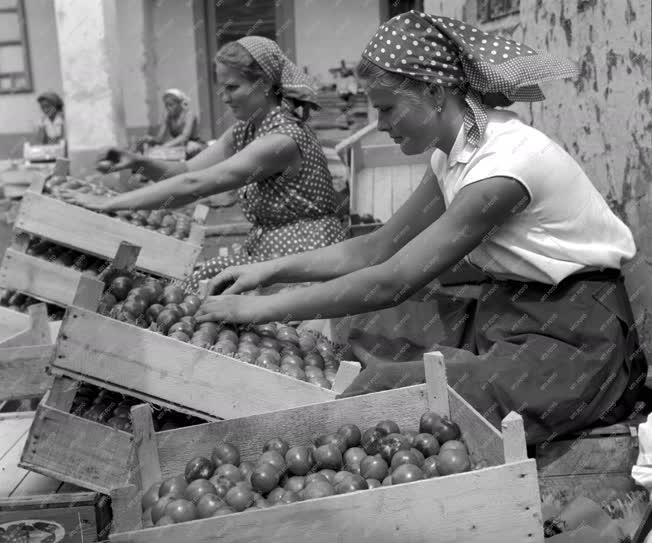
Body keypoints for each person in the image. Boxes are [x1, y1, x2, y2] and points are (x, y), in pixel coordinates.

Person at [194, 11, 647, 445]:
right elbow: (376, 249)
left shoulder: (503, 169)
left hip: (573, 336)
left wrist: (259, 311)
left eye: (387, 109)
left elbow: (393, 280)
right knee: (368, 323)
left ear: (434, 92)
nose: (380, 125)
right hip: (508, 312)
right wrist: (267, 273)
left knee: (404, 388)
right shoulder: (450, 153)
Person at [61, 36, 346, 293]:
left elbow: (194, 186)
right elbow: (185, 171)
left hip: (304, 258)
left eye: (233, 87)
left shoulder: (281, 140)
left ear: (267, 84)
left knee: (202, 293)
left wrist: (111, 203)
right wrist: (137, 162)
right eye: (221, 87)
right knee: (194, 285)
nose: (224, 97)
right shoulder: (245, 130)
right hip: (270, 253)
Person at [138, 89, 206, 159]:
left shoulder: (189, 115)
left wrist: (164, 147)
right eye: (166, 105)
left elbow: (184, 137)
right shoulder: (168, 116)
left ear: (180, 104)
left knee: (190, 147)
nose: (168, 108)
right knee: (146, 146)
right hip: (179, 145)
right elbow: (159, 139)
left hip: (194, 143)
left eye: (171, 105)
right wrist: (150, 139)